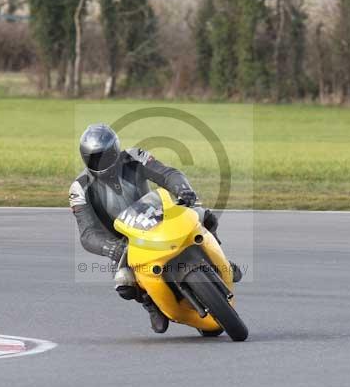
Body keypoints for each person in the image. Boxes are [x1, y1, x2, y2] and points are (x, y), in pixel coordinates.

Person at [69, 123, 240, 334]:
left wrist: (182, 189)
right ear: (85, 158)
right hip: (126, 241)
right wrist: (109, 248)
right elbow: (87, 234)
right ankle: (150, 304)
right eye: (94, 158)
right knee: (124, 282)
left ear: (115, 150)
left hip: (160, 214)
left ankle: (222, 260)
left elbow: (167, 173)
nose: (101, 163)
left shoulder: (134, 157)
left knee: (204, 215)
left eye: (105, 155)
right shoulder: (79, 187)